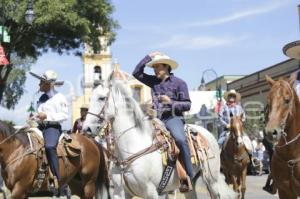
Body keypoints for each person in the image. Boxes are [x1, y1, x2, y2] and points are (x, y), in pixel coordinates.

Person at [132, 52, 193, 192]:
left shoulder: (180, 83)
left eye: (157, 67)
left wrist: (170, 102)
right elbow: (136, 72)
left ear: (166, 67)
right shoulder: (153, 81)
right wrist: (148, 56)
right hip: (155, 119)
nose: (154, 70)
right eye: (153, 67)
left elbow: (187, 105)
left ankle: (189, 176)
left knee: (180, 140)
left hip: (173, 118)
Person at [30, 70, 68, 194]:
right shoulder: (41, 98)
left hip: (52, 128)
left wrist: (46, 116)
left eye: (41, 82)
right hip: (40, 127)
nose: (39, 84)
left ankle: (60, 182)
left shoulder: (60, 97)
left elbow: (64, 115)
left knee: (50, 146)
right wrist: (34, 117)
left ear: (49, 84)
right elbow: (39, 114)